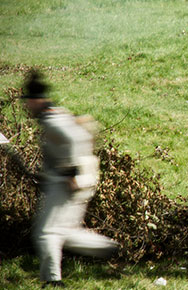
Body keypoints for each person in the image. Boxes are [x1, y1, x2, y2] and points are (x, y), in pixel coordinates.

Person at [21, 71, 119, 288]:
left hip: (68, 183)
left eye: (28, 101)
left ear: (36, 100)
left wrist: (70, 174)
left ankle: (53, 281)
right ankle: (108, 248)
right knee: (67, 232)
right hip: (80, 179)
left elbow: (75, 139)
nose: (26, 106)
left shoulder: (52, 120)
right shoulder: (58, 115)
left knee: (47, 233)